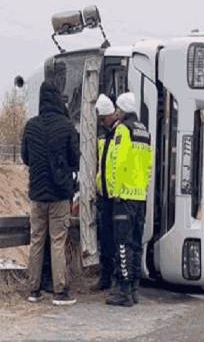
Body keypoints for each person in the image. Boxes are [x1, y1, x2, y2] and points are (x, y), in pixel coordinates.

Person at [22, 81, 79, 306]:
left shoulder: (31, 126)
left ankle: (34, 290)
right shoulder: (66, 126)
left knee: (36, 240)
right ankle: (59, 291)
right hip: (59, 195)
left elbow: (25, 157)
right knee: (57, 241)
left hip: (36, 194)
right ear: (57, 98)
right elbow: (75, 159)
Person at [100, 92, 154, 307]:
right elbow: (148, 166)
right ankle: (133, 288)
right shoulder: (144, 132)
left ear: (120, 111)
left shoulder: (123, 130)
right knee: (136, 244)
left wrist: (113, 191)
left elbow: (117, 162)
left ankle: (122, 290)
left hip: (124, 196)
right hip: (140, 196)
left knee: (122, 245)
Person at [94, 94, 117, 291]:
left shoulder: (119, 133)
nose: (102, 122)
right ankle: (105, 277)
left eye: (103, 118)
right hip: (104, 195)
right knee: (105, 239)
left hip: (116, 196)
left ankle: (112, 277)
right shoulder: (102, 134)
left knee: (115, 240)